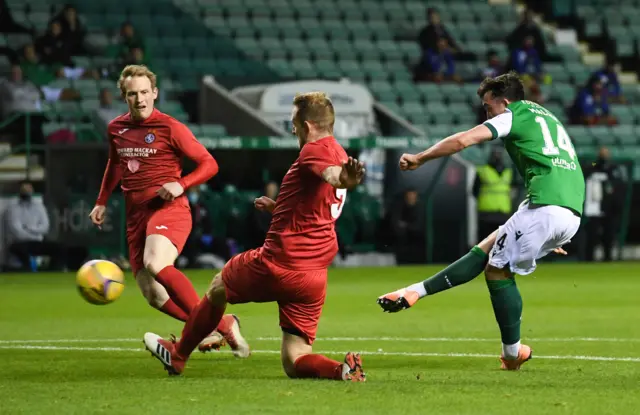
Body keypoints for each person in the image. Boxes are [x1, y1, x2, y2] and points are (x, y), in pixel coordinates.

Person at [142, 92, 367, 382]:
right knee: (293, 358)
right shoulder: (337, 149)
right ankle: (342, 370)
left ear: (308, 125)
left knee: (217, 288)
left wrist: (346, 179)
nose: (292, 129)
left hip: (280, 263)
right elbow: (319, 207)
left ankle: (178, 355)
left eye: (294, 123)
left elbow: (334, 176)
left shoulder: (315, 150)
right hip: (314, 276)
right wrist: (279, 208)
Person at [377, 72, 585, 371]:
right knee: (490, 245)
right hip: (570, 211)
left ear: (505, 101)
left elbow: (463, 140)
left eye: (489, 107)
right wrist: (553, 231)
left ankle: (512, 354)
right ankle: (415, 290)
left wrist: (421, 158)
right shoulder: (549, 117)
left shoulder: (513, 114)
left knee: (497, 271)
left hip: (545, 206)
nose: (487, 114)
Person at [89, 64, 247, 356]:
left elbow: (210, 164)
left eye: (145, 92)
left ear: (155, 93)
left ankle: (218, 328)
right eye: (133, 94)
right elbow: (115, 165)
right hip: (136, 215)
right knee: (153, 293)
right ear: (125, 96)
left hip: (169, 208)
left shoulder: (171, 127)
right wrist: (101, 200)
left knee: (156, 262)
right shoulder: (116, 128)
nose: (140, 99)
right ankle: (220, 323)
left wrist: (181, 184)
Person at [582, 147, 624, 261]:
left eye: (605, 154)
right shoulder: (594, 164)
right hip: (593, 207)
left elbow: (617, 182)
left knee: (608, 235)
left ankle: (608, 258)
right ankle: (588, 258)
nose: (604, 156)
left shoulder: (613, 167)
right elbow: (589, 167)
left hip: (608, 207)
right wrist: (597, 162)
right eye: (602, 154)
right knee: (592, 235)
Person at [472, 147, 513, 242]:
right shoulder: (483, 171)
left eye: (499, 153)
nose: (497, 156)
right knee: (485, 241)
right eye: (495, 153)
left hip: (503, 213)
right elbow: (474, 191)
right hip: (486, 214)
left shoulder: (508, 172)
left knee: (501, 242)